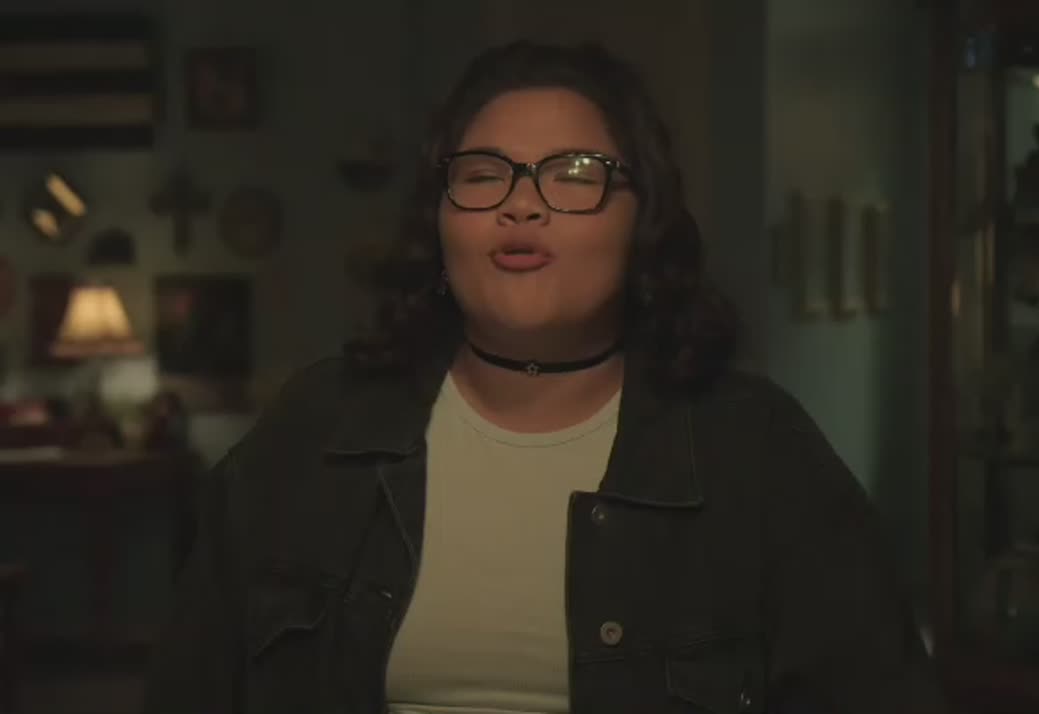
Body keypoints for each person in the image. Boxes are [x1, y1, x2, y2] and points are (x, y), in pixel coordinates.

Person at [143, 40, 945, 714]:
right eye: (483, 173)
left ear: (643, 219)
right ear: (440, 220)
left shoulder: (758, 451)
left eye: (574, 172)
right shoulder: (314, 429)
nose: (521, 205)